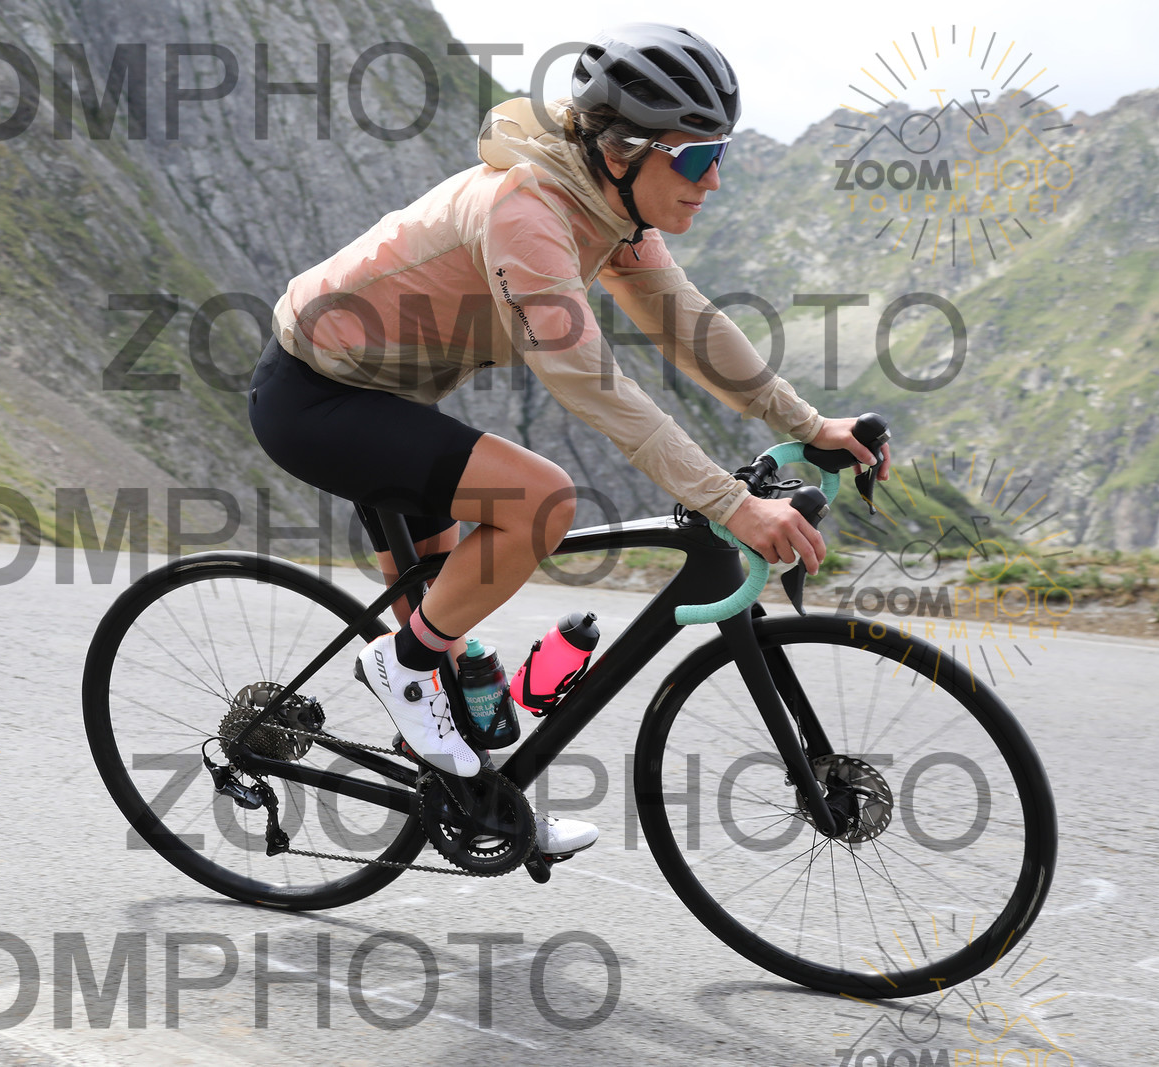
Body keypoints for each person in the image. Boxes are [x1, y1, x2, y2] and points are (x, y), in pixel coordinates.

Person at [248, 23, 890, 858]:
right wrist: (731, 504)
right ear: (624, 150)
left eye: (720, 153)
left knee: (459, 673)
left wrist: (810, 425)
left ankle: (484, 803)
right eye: (697, 157)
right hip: (318, 396)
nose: (714, 178)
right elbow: (594, 386)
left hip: (391, 399)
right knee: (538, 502)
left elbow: (688, 325)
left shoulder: (608, 206)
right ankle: (398, 667)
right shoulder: (528, 214)